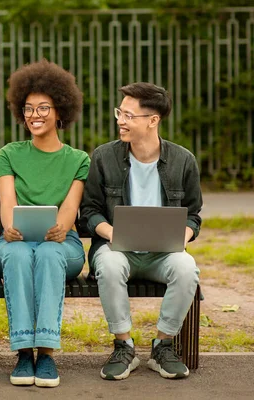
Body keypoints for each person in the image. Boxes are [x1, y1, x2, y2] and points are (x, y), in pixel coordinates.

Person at [80, 82, 201, 380]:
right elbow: (90, 212)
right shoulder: (104, 157)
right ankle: (123, 346)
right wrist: (113, 234)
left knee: (187, 268)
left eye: (128, 115)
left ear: (153, 120)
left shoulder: (183, 160)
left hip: (163, 253)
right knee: (108, 265)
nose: (120, 120)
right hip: (118, 249)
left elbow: (194, 216)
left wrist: (180, 239)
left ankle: (163, 345)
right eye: (119, 112)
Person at [0, 59, 90, 388]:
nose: (36, 115)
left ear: (60, 112)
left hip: (62, 245)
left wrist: (60, 228)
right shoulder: (8, 154)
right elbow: (8, 204)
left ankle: (45, 352)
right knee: (18, 255)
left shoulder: (78, 160)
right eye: (29, 108)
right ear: (21, 113)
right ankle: (22, 352)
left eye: (44, 108)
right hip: (15, 241)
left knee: (47, 254)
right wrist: (9, 227)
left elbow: (70, 209)